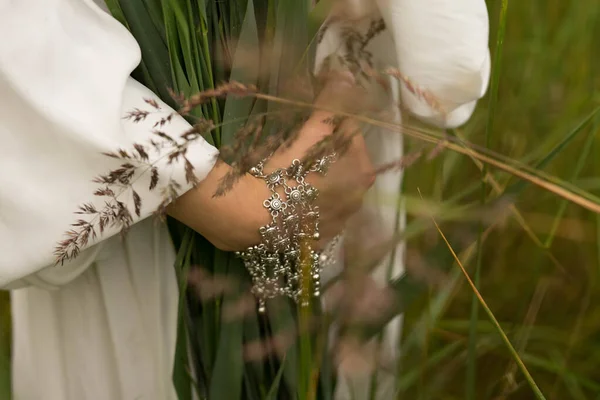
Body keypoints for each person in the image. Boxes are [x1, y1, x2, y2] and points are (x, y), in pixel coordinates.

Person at [0, 0, 490, 399]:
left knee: (322, 365)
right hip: (111, 171)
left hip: (331, 143)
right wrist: (230, 202)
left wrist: (348, 69)